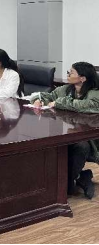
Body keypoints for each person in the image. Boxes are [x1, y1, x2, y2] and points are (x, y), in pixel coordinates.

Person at [31, 62, 99, 199]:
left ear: (82, 78)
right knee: (52, 143)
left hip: (91, 138)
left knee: (81, 146)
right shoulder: (65, 89)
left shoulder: (95, 93)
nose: (68, 74)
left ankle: (66, 184)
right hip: (69, 133)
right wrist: (38, 100)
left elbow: (88, 106)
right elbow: (46, 96)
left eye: (71, 72)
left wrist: (59, 103)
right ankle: (77, 177)